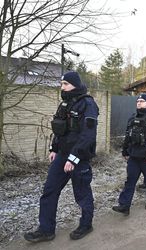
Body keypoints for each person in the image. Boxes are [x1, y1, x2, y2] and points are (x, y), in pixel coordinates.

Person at [24, 71, 99, 242]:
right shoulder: (65, 104)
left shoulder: (88, 104)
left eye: (65, 84)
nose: (62, 87)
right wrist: (54, 148)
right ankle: (46, 230)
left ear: (75, 85)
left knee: (82, 193)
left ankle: (86, 224)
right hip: (62, 156)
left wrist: (73, 158)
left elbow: (88, 135)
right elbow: (59, 130)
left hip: (78, 158)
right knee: (49, 191)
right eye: (61, 84)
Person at [112, 94, 146, 215]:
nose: (139, 103)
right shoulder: (132, 118)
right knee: (130, 181)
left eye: (142, 101)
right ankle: (124, 205)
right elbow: (127, 135)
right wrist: (125, 151)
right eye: (138, 101)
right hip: (134, 156)